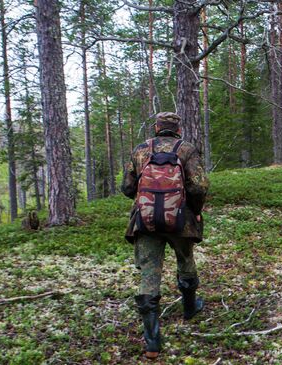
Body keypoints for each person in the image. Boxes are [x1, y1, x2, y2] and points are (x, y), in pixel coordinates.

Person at [122, 112, 209, 360]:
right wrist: (195, 210)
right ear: (177, 130)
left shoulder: (141, 150)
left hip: (146, 222)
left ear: (157, 127)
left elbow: (127, 188)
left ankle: (152, 343)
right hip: (181, 220)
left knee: (150, 273)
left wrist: (148, 200)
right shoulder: (187, 149)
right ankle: (190, 307)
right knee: (185, 260)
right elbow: (199, 186)